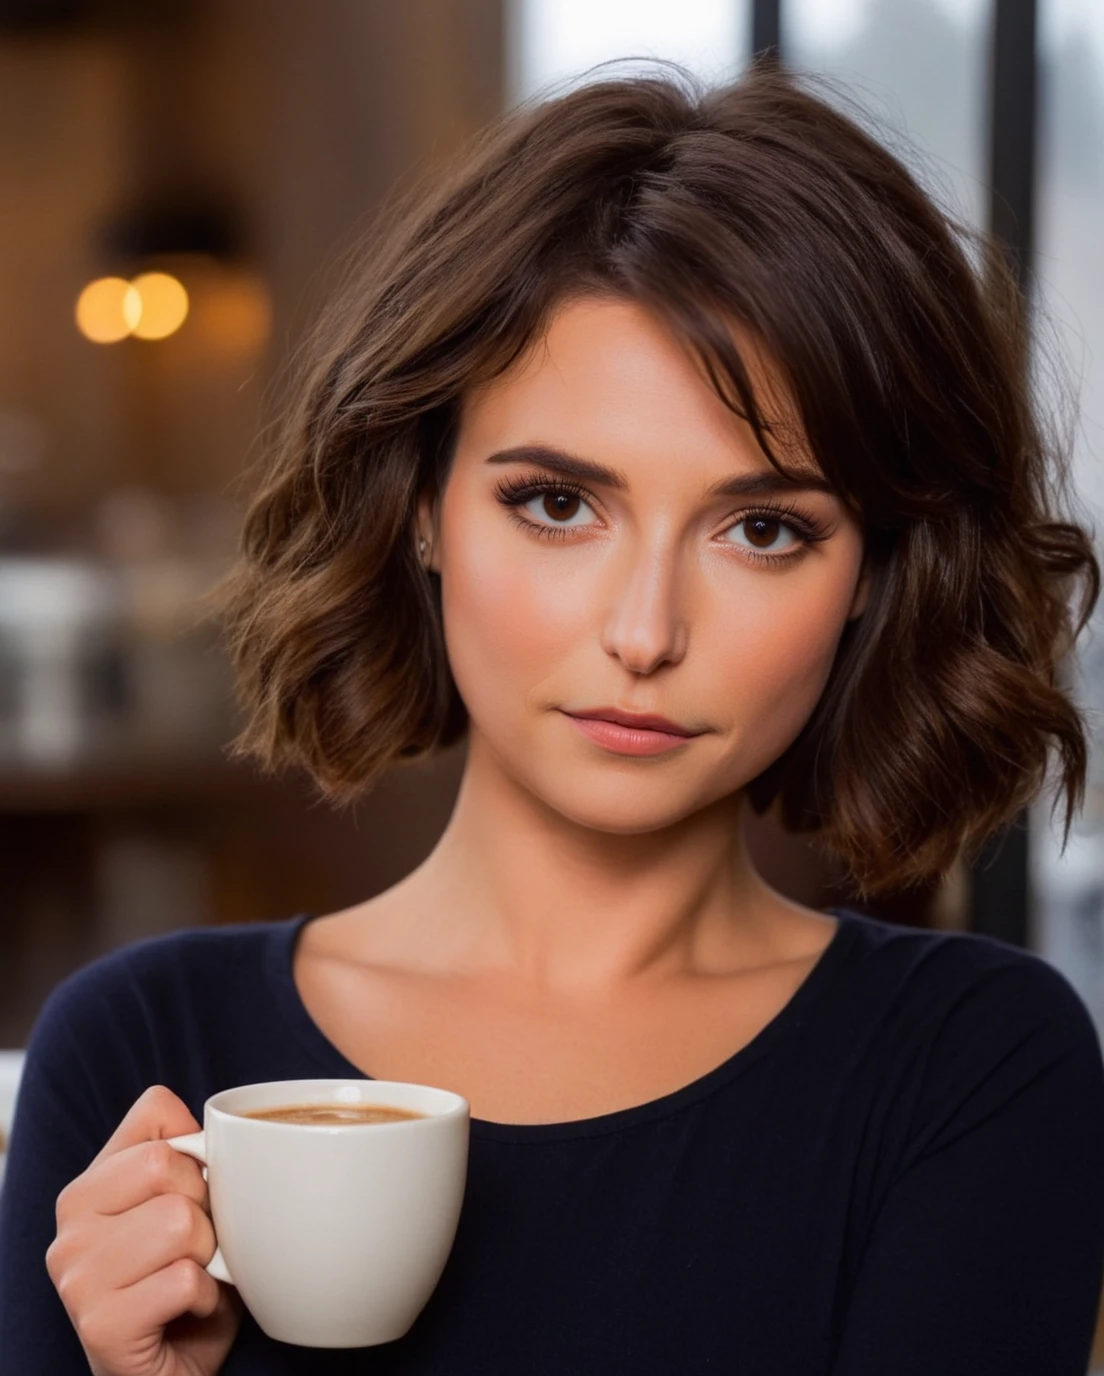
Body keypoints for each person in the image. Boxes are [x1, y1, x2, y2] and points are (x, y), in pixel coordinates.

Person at [2, 57, 1103, 1375]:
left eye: (761, 529)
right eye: (557, 504)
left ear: (871, 572)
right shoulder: (141, 1063)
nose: (645, 632)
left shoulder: (974, 1070)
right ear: (420, 505)